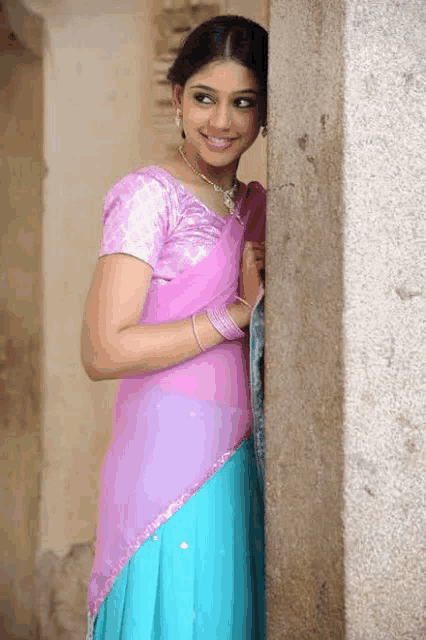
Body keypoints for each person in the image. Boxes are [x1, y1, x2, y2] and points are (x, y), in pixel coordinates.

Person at [81, 14, 267, 640]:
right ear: (177, 100)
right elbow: (105, 350)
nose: (222, 121)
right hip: (162, 465)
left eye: (243, 102)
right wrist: (232, 315)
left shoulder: (261, 208)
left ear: (266, 112)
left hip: (245, 464)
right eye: (204, 98)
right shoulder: (148, 197)